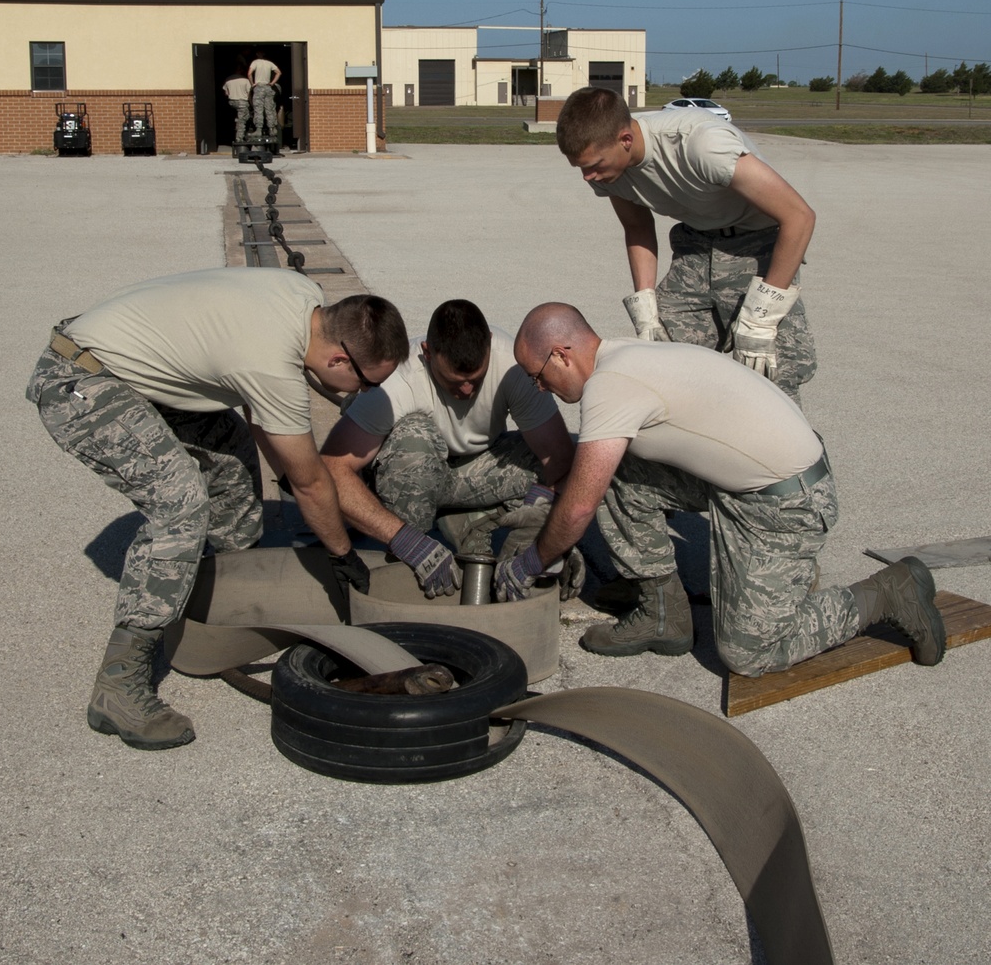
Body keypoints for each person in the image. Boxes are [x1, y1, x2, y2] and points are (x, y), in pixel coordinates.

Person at [26, 269, 408, 751]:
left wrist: (293, 477)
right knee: (179, 505)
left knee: (229, 452)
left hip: (129, 365)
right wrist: (339, 551)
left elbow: (265, 427)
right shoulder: (270, 362)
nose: (363, 396)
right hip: (80, 380)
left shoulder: (303, 298)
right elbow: (311, 482)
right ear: (338, 358)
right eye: (366, 384)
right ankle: (119, 685)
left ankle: (228, 589)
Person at [495, 302, 946, 680]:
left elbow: (576, 510)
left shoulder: (610, 387)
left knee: (750, 652)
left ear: (561, 354)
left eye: (537, 375)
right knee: (607, 469)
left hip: (787, 504)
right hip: (749, 480)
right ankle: (661, 614)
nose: (539, 388)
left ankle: (888, 591)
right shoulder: (624, 354)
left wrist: (532, 561)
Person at [556, 86, 817, 401]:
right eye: (581, 167)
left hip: (757, 244)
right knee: (660, 356)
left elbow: (799, 217)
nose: (588, 177)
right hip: (696, 244)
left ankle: (791, 447)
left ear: (625, 140)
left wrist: (761, 318)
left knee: (769, 369)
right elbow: (637, 226)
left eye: (594, 164)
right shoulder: (609, 171)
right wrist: (646, 305)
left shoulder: (701, 144)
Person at [320, 299, 580, 599]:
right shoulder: (397, 381)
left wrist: (548, 537)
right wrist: (404, 540)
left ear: (490, 344)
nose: (467, 391)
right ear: (428, 353)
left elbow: (558, 457)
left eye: (475, 380)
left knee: (568, 462)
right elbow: (332, 469)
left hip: (469, 471)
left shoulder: (511, 364)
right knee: (412, 437)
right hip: (405, 476)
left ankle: (468, 523)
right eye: (455, 381)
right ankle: (413, 554)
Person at [247, 49, 282, 139]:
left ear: (257, 54)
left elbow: (249, 73)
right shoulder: (269, 63)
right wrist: (272, 83)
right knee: (269, 109)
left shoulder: (255, 62)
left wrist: (252, 84)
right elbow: (279, 72)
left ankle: (259, 130)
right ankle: (272, 129)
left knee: (258, 109)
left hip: (259, 87)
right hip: (268, 87)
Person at [222, 68, 252, 143]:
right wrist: (251, 104)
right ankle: (239, 139)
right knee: (242, 121)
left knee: (237, 119)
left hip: (231, 102)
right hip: (242, 102)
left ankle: (233, 133)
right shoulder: (246, 80)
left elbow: (226, 93)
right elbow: (249, 94)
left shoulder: (228, 79)